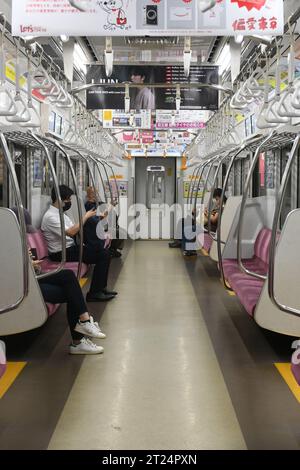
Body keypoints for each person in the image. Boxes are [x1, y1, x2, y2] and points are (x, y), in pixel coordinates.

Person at [11, 207, 105, 355]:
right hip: (21, 285)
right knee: (71, 293)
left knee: (68, 276)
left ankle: (84, 322)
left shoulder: (18, 240)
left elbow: (29, 269)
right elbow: (10, 273)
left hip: (32, 277)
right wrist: (29, 264)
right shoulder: (6, 244)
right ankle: (78, 339)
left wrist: (32, 264)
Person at [41, 185, 117, 302]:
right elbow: (71, 232)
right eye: (68, 200)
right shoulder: (50, 217)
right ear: (60, 199)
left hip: (70, 249)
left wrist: (95, 219)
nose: (70, 202)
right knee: (103, 255)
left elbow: (76, 227)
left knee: (104, 253)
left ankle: (101, 288)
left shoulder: (61, 214)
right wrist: (85, 216)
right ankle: (95, 293)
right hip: (60, 253)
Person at [84, 186, 123, 258]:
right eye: (93, 193)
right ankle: (110, 250)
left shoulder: (99, 202)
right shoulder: (89, 205)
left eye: (96, 192)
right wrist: (110, 207)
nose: (95, 194)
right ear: (88, 195)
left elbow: (106, 207)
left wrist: (111, 204)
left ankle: (112, 249)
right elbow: (101, 217)